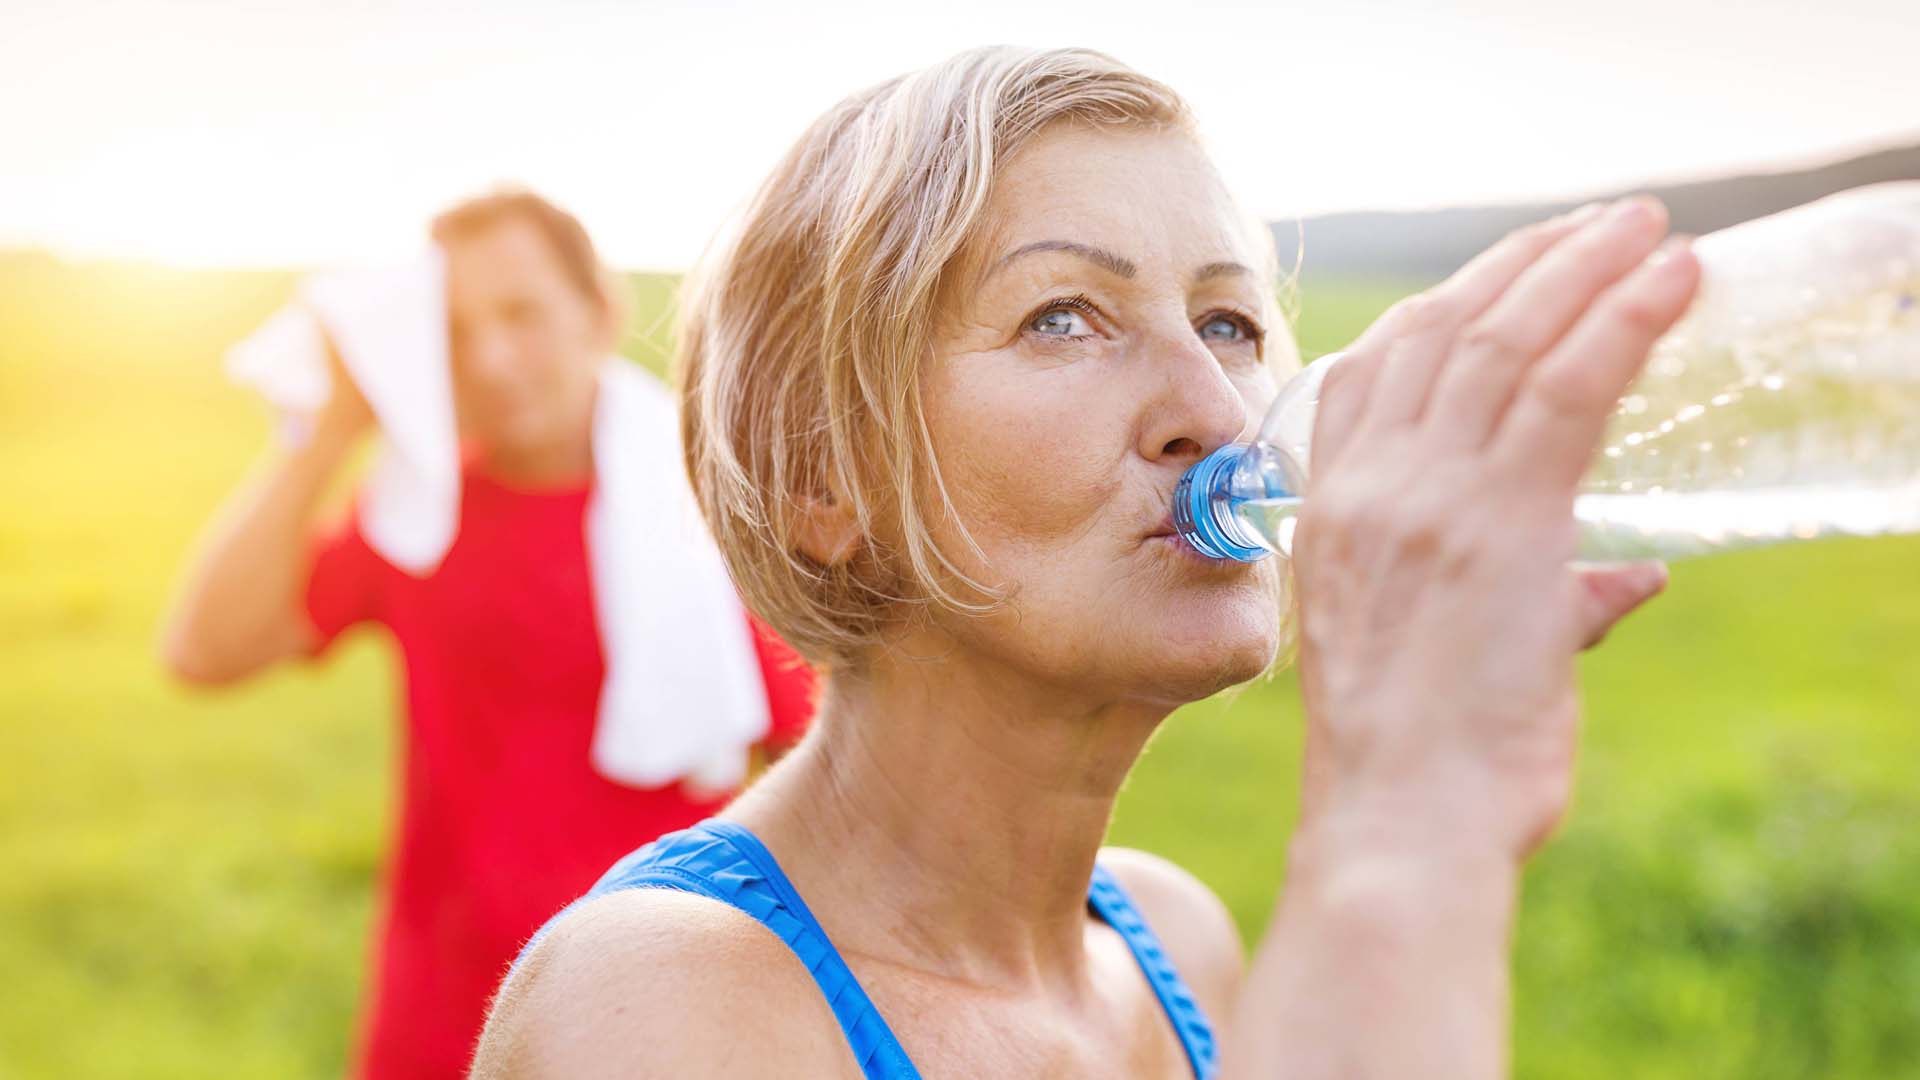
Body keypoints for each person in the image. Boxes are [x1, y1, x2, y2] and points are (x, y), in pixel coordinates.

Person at [472, 47, 1697, 1079]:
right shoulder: (663, 1007)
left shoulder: (1174, 943)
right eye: (1064, 318)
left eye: (1228, 322)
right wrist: (1402, 826)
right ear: (820, 477)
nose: (1218, 412)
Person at [158, 191, 816, 1078]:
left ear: (600, 312)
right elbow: (205, 649)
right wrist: (329, 431)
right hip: (442, 1016)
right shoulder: (418, 515)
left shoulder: (713, 517)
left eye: (521, 315)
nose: (491, 360)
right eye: (456, 331)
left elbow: (820, 767)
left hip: (658, 1014)